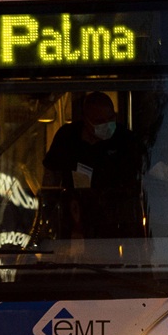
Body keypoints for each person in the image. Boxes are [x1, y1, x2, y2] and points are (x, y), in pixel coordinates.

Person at [42, 92, 147, 239]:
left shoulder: (126, 140)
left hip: (117, 223)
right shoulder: (67, 138)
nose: (107, 125)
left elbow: (144, 174)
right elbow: (50, 176)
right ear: (86, 120)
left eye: (111, 119)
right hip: (74, 221)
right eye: (100, 121)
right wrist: (48, 209)